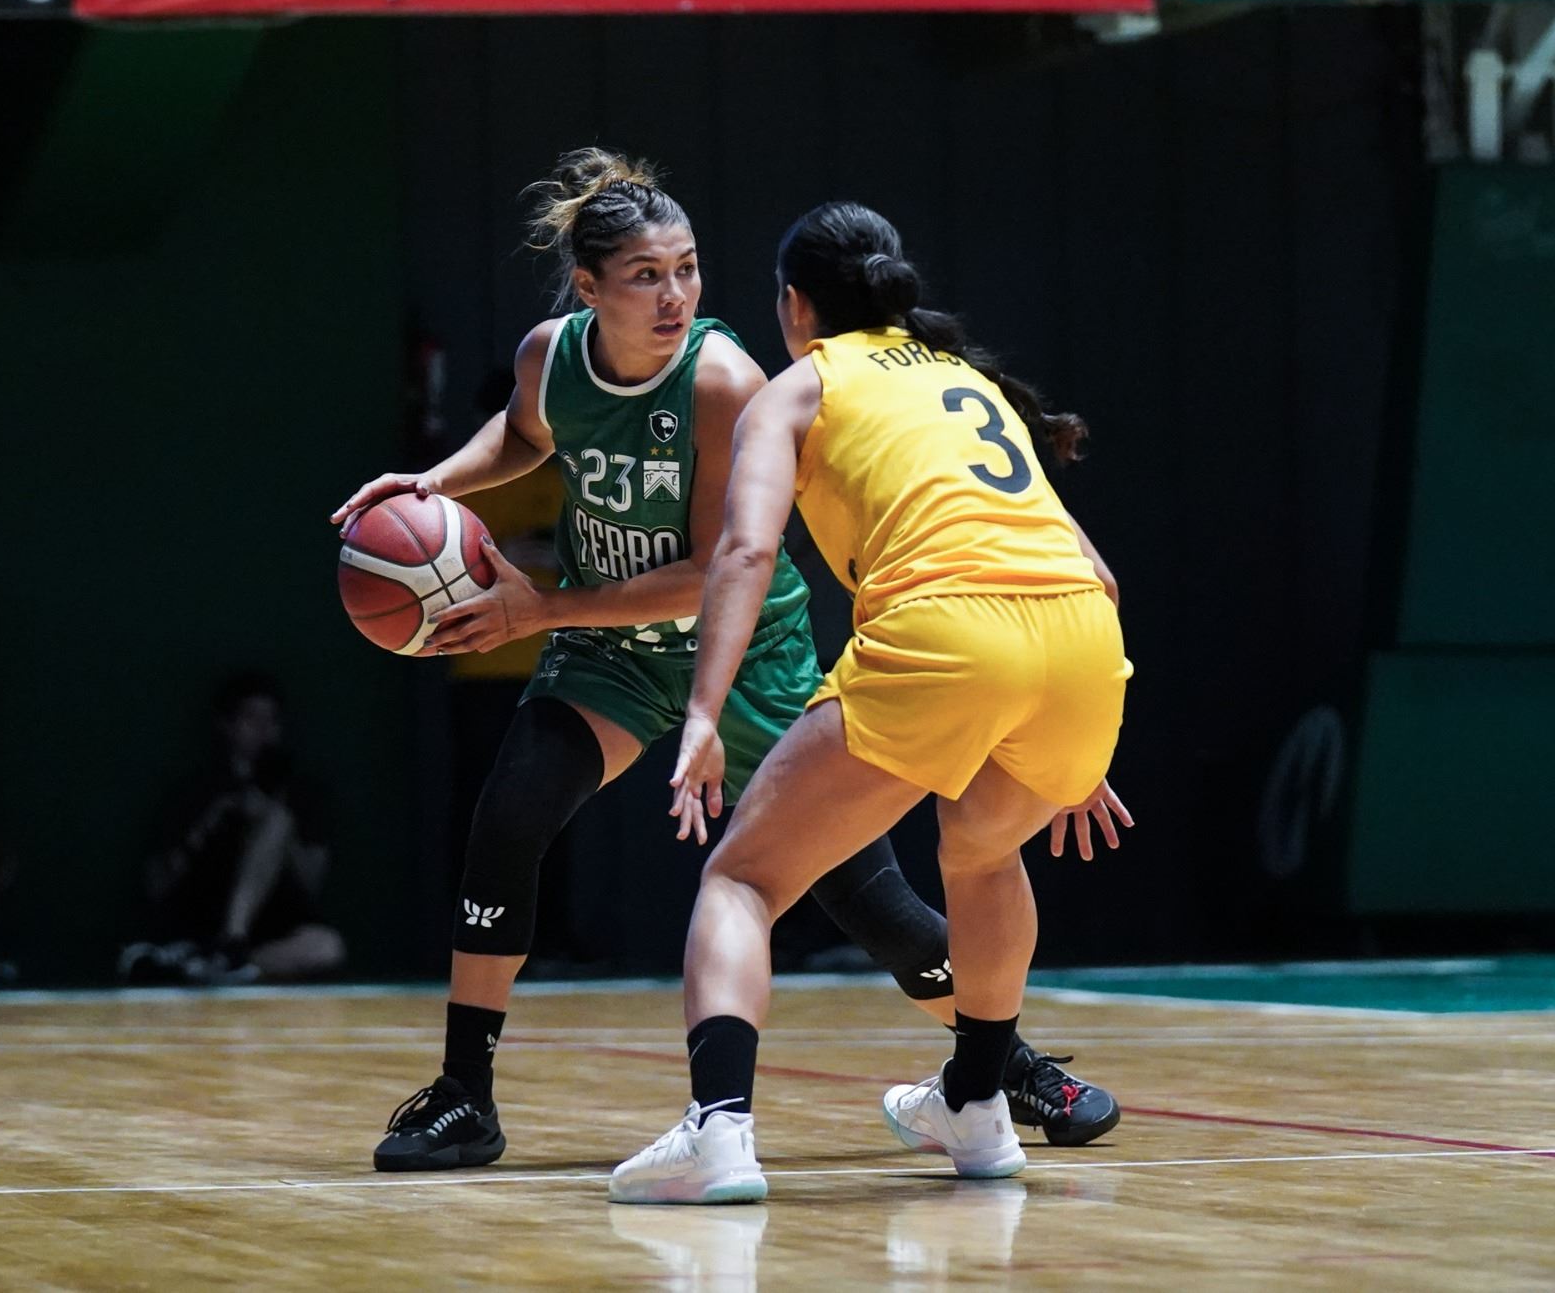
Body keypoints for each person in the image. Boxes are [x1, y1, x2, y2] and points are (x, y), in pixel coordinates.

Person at [330, 151, 1116, 1174]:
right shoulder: (549, 357)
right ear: (588, 288)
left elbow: (717, 570)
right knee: (510, 817)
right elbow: (524, 436)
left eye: (687, 269)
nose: (675, 294)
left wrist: (545, 608)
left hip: (740, 651)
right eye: (646, 275)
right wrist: (432, 484)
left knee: (868, 901)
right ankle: (463, 1094)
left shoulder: (727, 381)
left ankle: (1001, 1064)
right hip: (612, 650)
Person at [610, 202, 1133, 1204]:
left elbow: (745, 552)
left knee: (742, 879)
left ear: (794, 305)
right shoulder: (963, 376)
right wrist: (1077, 735)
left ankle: (718, 1131)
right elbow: (1095, 573)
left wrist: (704, 712)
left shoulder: (797, 390)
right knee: (983, 853)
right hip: (1081, 645)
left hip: (947, 631)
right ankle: (974, 1103)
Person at [120, 672, 346, 985]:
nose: (263, 730)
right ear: (226, 725)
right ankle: (211, 954)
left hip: (266, 932)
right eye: (251, 719)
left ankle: (211, 965)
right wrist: (211, 821)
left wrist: (276, 828)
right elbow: (157, 886)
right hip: (196, 925)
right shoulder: (195, 792)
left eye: (271, 721)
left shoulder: (300, 793)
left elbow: (311, 883)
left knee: (327, 947)